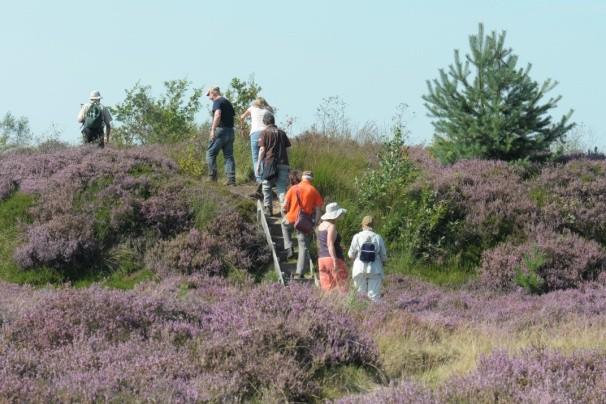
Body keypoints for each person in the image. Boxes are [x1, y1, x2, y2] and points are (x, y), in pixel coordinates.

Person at [282, 170, 323, 279]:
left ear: (303, 178)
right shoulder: (314, 191)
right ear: (311, 179)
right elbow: (318, 210)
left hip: (290, 219)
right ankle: (299, 272)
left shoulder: (293, 188)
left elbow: (284, 206)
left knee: (284, 225)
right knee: (303, 246)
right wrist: (314, 223)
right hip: (303, 223)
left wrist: (286, 214)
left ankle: (289, 246)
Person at [256, 112, 290, 216]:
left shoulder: (264, 132)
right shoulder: (282, 133)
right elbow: (288, 149)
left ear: (265, 122)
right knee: (281, 188)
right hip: (283, 163)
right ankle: (284, 210)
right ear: (273, 121)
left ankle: (268, 209)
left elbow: (262, 149)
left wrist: (258, 164)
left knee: (266, 186)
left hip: (269, 162)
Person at [348, 216, 387, 302]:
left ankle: (361, 315)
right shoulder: (378, 237)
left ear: (362, 225)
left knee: (360, 297)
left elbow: (350, 255)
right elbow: (384, 257)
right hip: (375, 269)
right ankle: (375, 314)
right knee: (374, 298)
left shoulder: (357, 237)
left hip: (359, 269)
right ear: (373, 225)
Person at [206, 86, 236, 185]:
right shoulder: (227, 102)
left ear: (213, 92)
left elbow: (218, 114)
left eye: (209, 94)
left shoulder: (217, 101)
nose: (209, 97)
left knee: (210, 153)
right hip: (230, 131)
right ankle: (231, 180)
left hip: (221, 131)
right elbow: (232, 116)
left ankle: (212, 178)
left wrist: (213, 129)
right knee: (228, 156)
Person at [240, 97, 273, 186]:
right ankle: (266, 177)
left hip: (255, 133)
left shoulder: (252, 108)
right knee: (266, 156)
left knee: (256, 157)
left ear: (255, 103)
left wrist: (242, 129)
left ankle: (259, 179)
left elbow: (242, 117)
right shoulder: (269, 109)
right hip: (267, 133)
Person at [317, 202, 348, 292]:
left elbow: (323, 242)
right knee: (342, 286)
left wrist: (338, 245)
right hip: (332, 259)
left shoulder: (321, 226)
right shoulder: (331, 226)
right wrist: (335, 261)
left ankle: (328, 305)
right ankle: (343, 305)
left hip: (322, 259)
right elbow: (329, 243)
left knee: (327, 288)